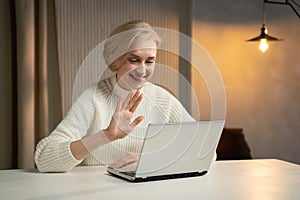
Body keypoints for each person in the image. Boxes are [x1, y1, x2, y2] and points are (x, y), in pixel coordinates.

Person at [34, 19, 194, 172]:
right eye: (134, 60)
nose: (143, 70)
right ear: (114, 60)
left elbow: (204, 149)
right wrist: (106, 136)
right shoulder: (93, 98)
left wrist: (153, 160)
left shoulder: (162, 98)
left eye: (150, 61)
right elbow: (44, 159)